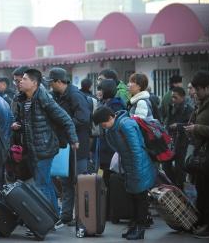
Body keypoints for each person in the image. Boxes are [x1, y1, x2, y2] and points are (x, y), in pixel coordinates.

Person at [13, 68, 78, 221]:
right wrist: (19, 125)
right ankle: (54, 217)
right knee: (46, 183)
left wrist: (74, 139)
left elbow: (65, 119)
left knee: (41, 185)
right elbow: (31, 123)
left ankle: (47, 219)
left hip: (44, 148)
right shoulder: (23, 99)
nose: (20, 82)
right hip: (33, 148)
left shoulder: (44, 98)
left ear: (34, 83)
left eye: (24, 79)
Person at [93, 106, 157, 240]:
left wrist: (137, 171)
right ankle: (134, 227)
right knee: (133, 198)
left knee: (140, 198)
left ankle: (140, 229)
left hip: (139, 166)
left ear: (111, 117)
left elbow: (136, 149)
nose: (103, 126)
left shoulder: (126, 125)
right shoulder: (112, 128)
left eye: (103, 123)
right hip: (130, 167)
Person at [45, 67, 90, 227]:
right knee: (66, 181)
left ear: (59, 81)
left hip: (79, 146)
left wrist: (64, 124)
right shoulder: (58, 96)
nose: (50, 86)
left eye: (51, 82)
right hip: (65, 147)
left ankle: (84, 217)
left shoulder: (75, 95)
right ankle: (66, 216)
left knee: (80, 183)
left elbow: (83, 118)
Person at [184, 70, 209, 239]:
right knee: (202, 190)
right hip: (202, 155)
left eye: (198, 89)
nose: (195, 92)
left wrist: (197, 128)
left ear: (208, 88)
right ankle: (203, 222)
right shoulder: (201, 103)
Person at [95, 79, 126, 218]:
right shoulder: (104, 103)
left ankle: (111, 212)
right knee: (103, 179)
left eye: (100, 89)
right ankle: (105, 211)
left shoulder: (116, 105)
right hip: (103, 151)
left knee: (108, 180)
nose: (98, 92)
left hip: (110, 152)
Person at [163, 87, 193, 188]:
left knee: (180, 168)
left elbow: (191, 125)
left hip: (182, 142)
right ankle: (172, 185)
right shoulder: (171, 107)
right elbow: (168, 121)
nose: (173, 100)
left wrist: (178, 125)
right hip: (171, 142)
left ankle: (180, 187)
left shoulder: (188, 109)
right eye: (172, 97)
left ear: (182, 97)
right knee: (166, 165)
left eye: (175, 97)